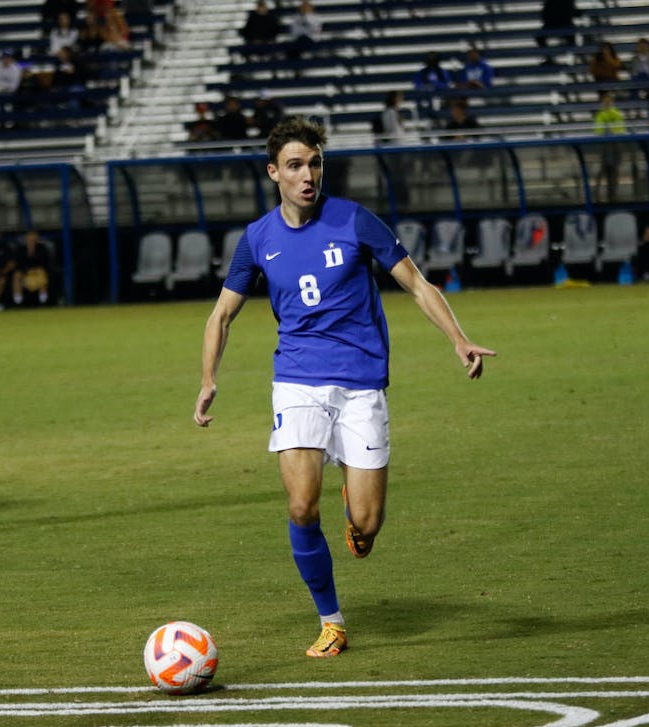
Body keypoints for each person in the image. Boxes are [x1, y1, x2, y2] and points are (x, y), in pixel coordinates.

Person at [193, 116, 495, 658]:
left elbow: (416, 283)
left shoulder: (355, 220)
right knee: (301, 505)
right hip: (298, 381)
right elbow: (221, 315)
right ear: (273, 173)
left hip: (361, 384)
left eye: (314, 163)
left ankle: (356, 509)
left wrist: (459, 339)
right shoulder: (258, 239)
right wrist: (209, 378)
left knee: (366, 523)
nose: (307, 175)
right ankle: (331, 621)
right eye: (295, 166)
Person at [593, 91, 626, 202]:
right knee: (603, 170)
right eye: (604, 101)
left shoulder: (617, 114)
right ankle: (596, 194)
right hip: (604, 146)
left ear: (612, 102)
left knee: (614, 171)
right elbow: (598, 130)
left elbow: (621, 129)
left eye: (609, 101)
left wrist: (612, 130)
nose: (606, 103)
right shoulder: (600, 114)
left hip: (616, 146)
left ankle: (613, 195)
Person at [12, 229, 55, 306]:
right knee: (17, 275)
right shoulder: (21, 249)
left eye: (34, 236)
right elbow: (18, 263)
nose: (32, 238)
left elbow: (46, 262)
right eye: (30, 236)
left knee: (42, 274)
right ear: (26, 237)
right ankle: (18, 300)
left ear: (37, 237)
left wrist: (35, 270)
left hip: (38, 272)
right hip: (25, 272)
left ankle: (43, 300)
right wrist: (26, 271)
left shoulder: (42, 248)